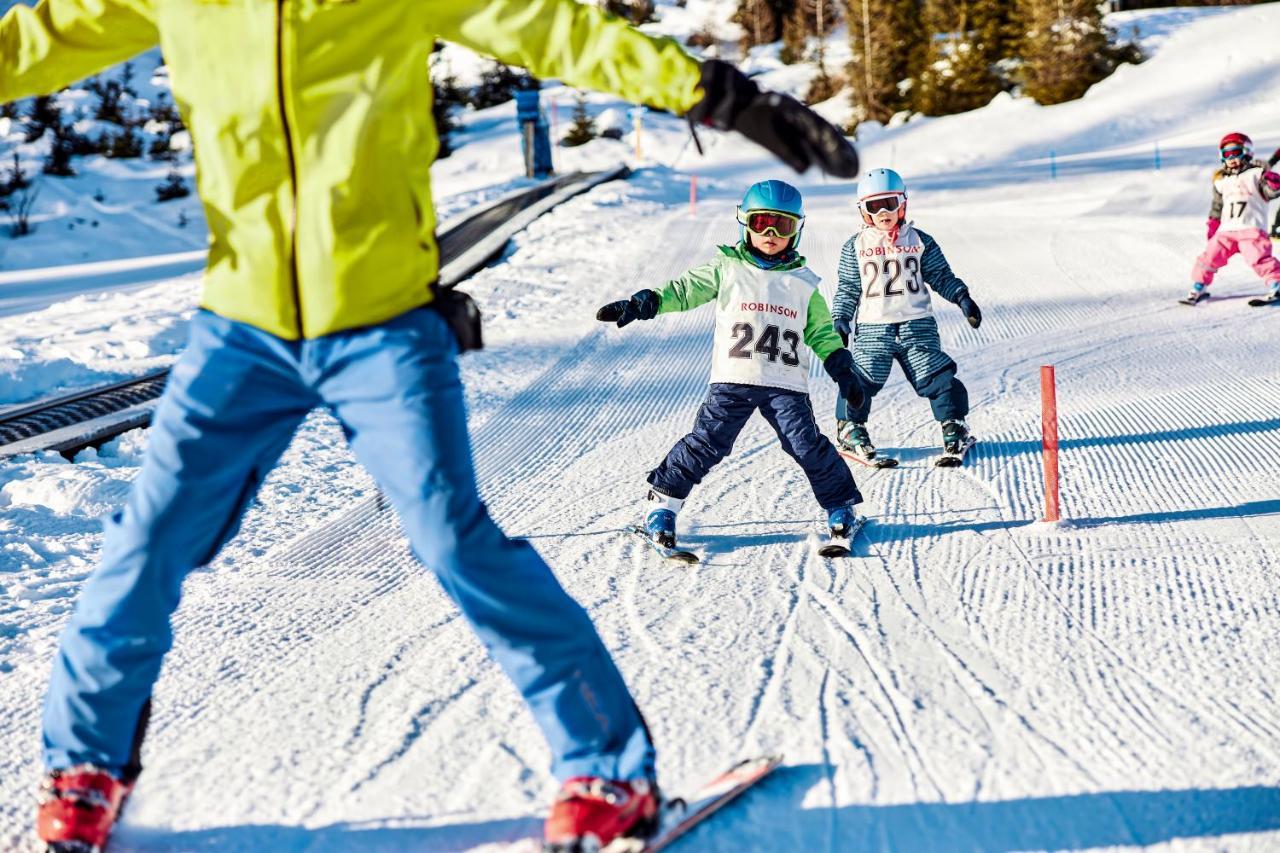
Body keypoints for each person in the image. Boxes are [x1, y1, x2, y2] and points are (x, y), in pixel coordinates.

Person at [0, 0, 861, 850]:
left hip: (384, 325)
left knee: (453, 538)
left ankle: (606, 768)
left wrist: (714, 92)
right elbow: (39, 38)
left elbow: (544, 24)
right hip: (241, 329)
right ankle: (83, 769)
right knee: (146, 540)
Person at [596, 180, 867, 549]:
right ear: (745, 224)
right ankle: (663, 504)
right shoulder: (727, 268)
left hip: (785, 384)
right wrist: (646, 303)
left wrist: (842, 369)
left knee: (806, 445)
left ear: (796, 231)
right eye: (761, 224)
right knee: (707, 442)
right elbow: (684, 290)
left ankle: (841, 507)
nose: (770, 234)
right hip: (733, 378)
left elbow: (821, 333)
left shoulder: (805, 284)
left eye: (782, 226)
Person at [831, 168, 982, 463]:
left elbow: (940, 275)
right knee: (860, 379)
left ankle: (954, 424)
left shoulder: (920, 240)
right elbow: (848, 288)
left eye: (891, 202)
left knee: (936, 376)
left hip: (917, 325)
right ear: (864, 212)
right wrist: (841, 319)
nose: (884, 211)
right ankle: (850, 427)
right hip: (874, 328)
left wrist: (962, 297)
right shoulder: (855, 247)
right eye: (875, 206)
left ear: (903, 204)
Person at [1184, 132, 1280, 305]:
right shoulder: (1221, 181)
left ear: (1247, 152)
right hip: (1226, 230)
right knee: (1208, 258)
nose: (1232, 158)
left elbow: (1272, 192)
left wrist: (1273, 181)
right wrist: (1213, 225)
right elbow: (1217, 206)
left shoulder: (1257, 174)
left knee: (1259, 259)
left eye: (1235, 152)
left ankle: (1276, 284)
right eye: (1227, 155)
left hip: (1251, 228)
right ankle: (1198, 286)